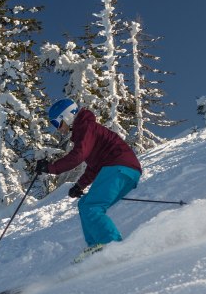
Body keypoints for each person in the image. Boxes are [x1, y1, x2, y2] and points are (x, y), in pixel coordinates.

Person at [36, 99, 142, 261]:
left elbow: (78, 156)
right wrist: (80, 185)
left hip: (119, 167)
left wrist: (51, 168)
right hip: (124, 171)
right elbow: (94, 167)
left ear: (68, 116)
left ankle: (111, 244)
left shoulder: (86, 127)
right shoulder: (86, 131)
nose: (59, 129)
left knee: (92, 206)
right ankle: (96, 246)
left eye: (57, 123)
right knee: (85, 204)